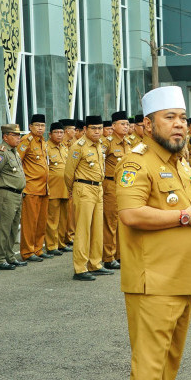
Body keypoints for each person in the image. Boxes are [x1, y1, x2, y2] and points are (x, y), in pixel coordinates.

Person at [116, 85, 191, 380]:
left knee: (170, 361)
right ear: (148, 124)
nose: (179, 124)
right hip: (155, 283)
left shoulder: (180, 162)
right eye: (170, 117)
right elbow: (131, 214)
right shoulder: (137, 163)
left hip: (181, 277)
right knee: (150, 364)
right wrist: (187, 216)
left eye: (183, 118)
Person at [64, 115, 113, 281]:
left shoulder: (99, 145)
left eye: (99, 128)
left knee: (97, 229)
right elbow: (68, 173)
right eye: (94, 128)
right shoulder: (78, 146)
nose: (97, 131)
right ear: (85, 129)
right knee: (83, 230)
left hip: (98, 188)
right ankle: (80, 268)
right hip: (83, 188)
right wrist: (73, 190)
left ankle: (95, 263)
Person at [0, 124, 28, 271]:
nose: (18, 138)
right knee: (3, 227)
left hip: (16, 194)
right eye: (15, 135)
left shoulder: (14, 152)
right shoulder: (1, 153)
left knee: (13, 227)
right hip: (5, 193)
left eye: (19, 135)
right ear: (5, 137)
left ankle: (10, 256)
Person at [18, 114, 51, 262]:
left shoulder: (43, 142)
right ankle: (27, 251)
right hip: (31, 187)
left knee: (41, 222)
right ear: (30, 127)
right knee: (29, 222)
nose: (40, 128)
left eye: (42, 126)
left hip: (44, 188)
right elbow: (18, 162)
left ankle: (38, 248)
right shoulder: (26, 141)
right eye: (37, 125)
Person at [102, 111, 131, 270]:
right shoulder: (107, 143)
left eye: (127, 124)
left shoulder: (127, 143)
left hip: (124, 186)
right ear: (113, 126)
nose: (126, 127)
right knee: (110, 221)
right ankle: (108, 256)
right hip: (110, 185)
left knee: (122, 221)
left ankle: (120, 255)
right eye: (122, 124)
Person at [45, 121, 71, 256]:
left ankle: (61, 243)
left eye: (61, 132)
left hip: (65, 188)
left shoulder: (64, 147)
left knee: (63, 219)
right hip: (53, 188)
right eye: (56, 132)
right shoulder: (46, 148)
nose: (60, 135)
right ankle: (51, 245)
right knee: (52, 219)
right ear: (50, 134)